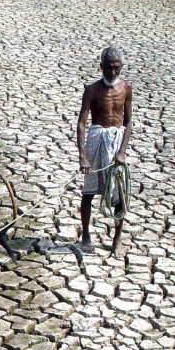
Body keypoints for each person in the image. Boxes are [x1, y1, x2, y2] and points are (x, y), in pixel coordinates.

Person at [76, 46, 133, 257]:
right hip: (96, 139)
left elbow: (128, 122)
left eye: (116, 68)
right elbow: (81, 123)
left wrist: (122, 151)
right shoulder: (92, 90)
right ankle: (86, 235)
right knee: (89, 192)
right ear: (101, 67)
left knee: (119, 193)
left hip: (117, 142)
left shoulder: (126, 89)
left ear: (121, 68)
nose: (112, 72)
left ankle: (117, 239)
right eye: (108, 68)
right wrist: (83, 155)